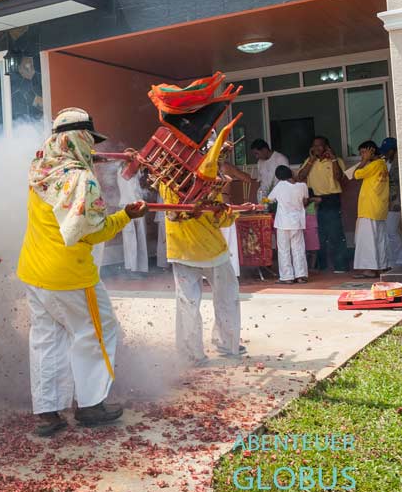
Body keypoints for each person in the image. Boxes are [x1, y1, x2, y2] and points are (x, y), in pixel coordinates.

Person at [17, 108, 147, 436]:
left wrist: (107, 160)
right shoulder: (81, 181)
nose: (93, 149)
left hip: (34, 272)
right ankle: (91, 405)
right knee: (97, 332)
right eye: (89, 141)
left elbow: (72, 161)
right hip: (70, 277)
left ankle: (48, 413)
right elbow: (93, 231)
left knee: (46, 339)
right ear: (80, 140)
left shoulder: (40, 168)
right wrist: (127, 215)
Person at [161, 172, 245, 365]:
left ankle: (191, 354)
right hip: (212, 250)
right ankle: (227, 343)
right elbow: (221, 220)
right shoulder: (208, 184)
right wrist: (232, 206)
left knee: (187, 303)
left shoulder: (166, 183)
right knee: (227, 298)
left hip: (181, 250)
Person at [297, 136, 348, 273]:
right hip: (314, 199)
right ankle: (322, 265)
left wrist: (333, 159)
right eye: (314, 145)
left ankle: (341, 265)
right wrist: (311, 160)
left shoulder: (335, 161)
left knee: (335, 232)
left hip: (331, 199)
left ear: (327, 146)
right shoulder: (309, 161)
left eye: (320, 145)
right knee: (318, 233)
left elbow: (339, 178)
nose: (317, 148)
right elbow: (300, 177)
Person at [352, 140, 389, 278]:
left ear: (371, 150)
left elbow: (355, 174)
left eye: (363, 152)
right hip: (379, 208)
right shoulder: (382, 164)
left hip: (369, 208)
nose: (362, 155)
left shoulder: (374, 164)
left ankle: (369, 269)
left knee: (367, 240)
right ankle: (381, 266)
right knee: (379, 240)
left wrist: (365, 161)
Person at [267, 165, 309, 284]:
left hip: (283, 223)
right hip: (297, 222)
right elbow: (305, 201)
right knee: (298, 248)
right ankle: (301, 275)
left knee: (283, 250)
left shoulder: (280, 186)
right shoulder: (302, 186)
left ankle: (287, 277)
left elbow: (269, 199)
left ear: (278, 177)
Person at [116, 162, 148, 275]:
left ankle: (141, 268)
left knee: (140, 238)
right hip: (126, 207)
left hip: (138, 205)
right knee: (130, 239)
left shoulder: (135, 172)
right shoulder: (121, 171)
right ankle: (131, 269)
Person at [380, 137, 402, 271]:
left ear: (393, 150)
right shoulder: (387, 162)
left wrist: (392, 201)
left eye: (387, 151)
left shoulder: (398, 163)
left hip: (395, 202)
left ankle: (400, 260)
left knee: (391, 231)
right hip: (389, 202)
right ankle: (394, 261)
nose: (384, 154)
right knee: (392, 232)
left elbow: (396, 184)